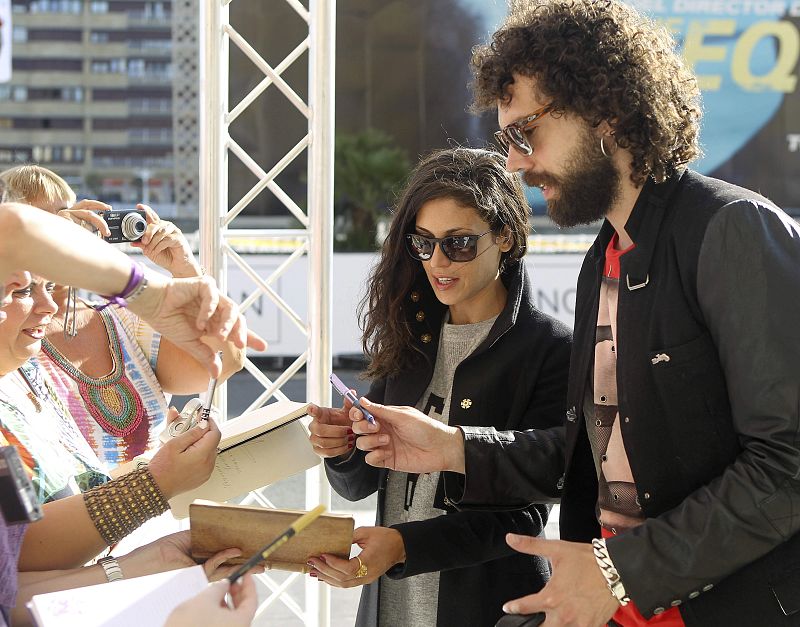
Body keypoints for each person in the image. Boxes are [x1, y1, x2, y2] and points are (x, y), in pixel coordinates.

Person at [340, 2, 800, 626]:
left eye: (526, 132)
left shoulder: (732, 229)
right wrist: (454, 449)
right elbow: (583, 455)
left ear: (605, 112)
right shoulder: (600, 260)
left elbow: (786, 468)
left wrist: (619, 573)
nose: (516, 162)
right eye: (507, 141)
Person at [307, 148, 572, 626]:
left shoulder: (552, 349)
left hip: (491, 608)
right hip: (390, 606)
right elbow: (362, 483)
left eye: (460, 243)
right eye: (423, 243)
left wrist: (407, 547)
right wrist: (343, 449)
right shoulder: (409, 335)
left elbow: (528, 513)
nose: (438, 261)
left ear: (506, 236)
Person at [0, 164, 246, 468]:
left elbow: (225, 361)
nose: (56, 237)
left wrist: (184, 269)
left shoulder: (122, 318)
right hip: (71, 513)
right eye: (39, 226)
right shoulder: (8, 338)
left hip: (157, 511)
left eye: (68, 217)